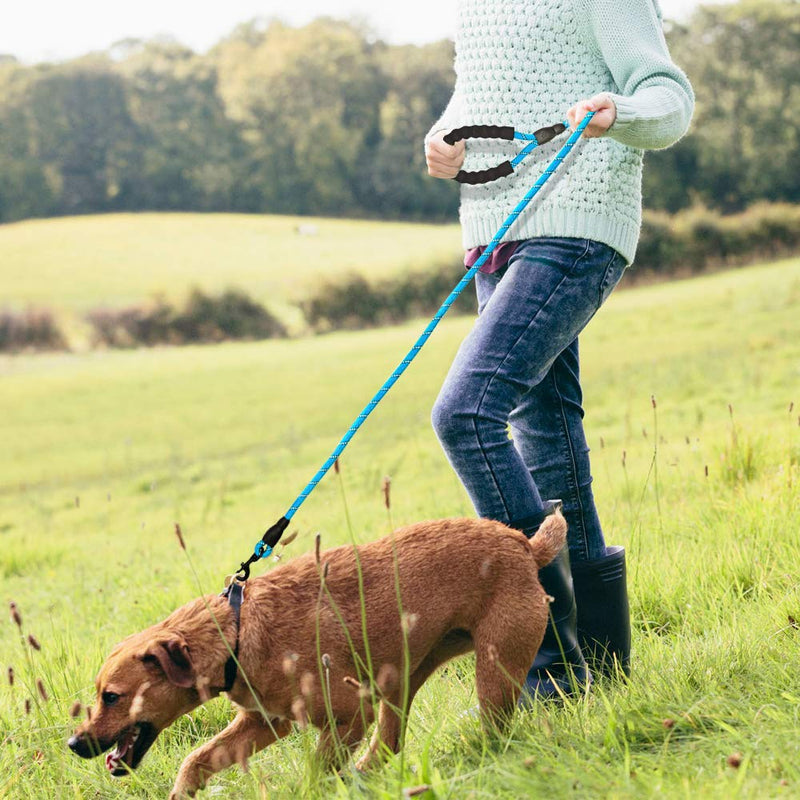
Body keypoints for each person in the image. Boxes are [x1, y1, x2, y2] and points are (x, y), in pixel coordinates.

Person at [424, 0, 694, 698]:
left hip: (576, 222)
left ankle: (547, 654)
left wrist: (618, 111)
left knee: (466, 413)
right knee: (545, 428)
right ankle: (600, 663)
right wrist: (444, 142)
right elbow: (478, 96)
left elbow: (669, 100)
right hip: (493, 233)